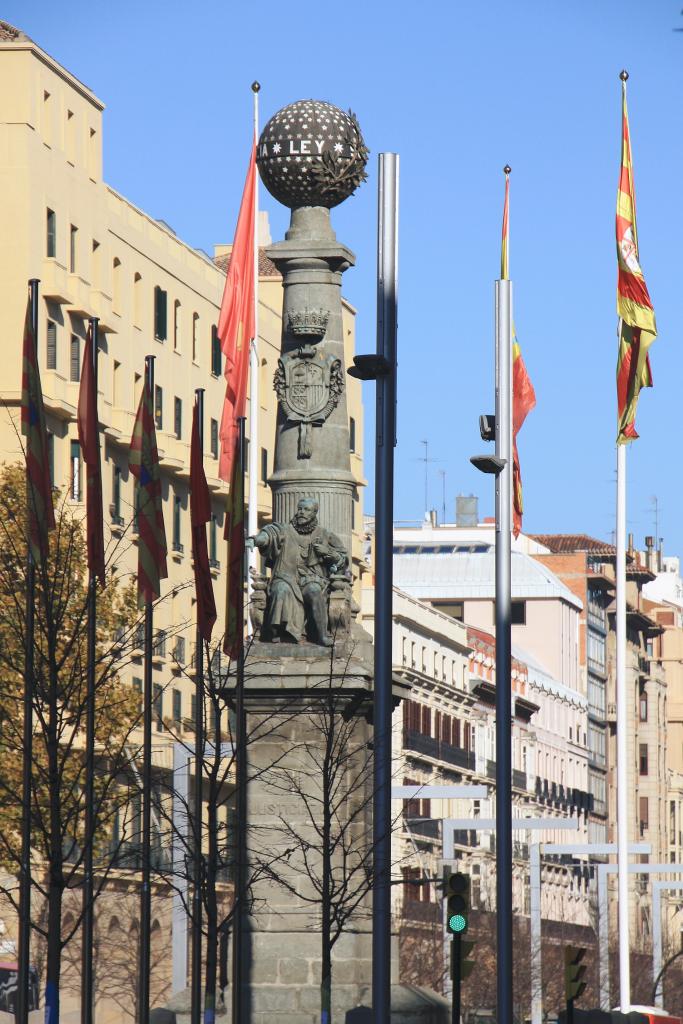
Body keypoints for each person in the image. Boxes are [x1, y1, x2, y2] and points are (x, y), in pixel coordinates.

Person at [247, 498, 348, 646]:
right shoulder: (285, 530)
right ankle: (276, 633)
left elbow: (342, 559)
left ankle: (321, 635)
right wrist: (256, 540)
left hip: (311, 579)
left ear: (314, 513)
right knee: (280, 590)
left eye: (306, 510)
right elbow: (269, 535)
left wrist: (329, 553)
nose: (301, 512)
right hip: (286, 576)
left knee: (314, 591)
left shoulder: (325, 534)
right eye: (300, 509)